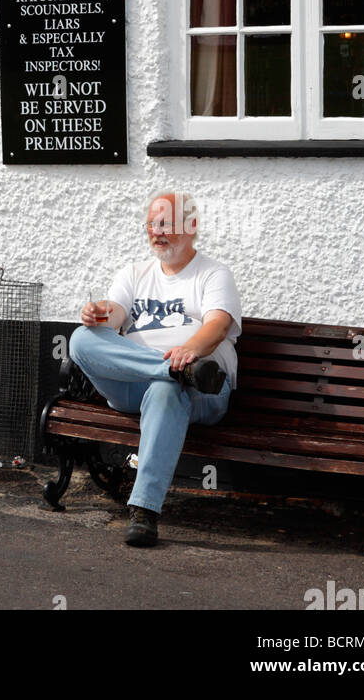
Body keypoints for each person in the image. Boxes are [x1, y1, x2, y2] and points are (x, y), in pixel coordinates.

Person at [67, 190, 242, 548]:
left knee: (166, 390)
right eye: (151, 224)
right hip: (135, 382)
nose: (156, 231)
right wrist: (100, 314)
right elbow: (115, 313)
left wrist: (189, 351)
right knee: (81, 339)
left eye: (166, 224)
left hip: (203, 388)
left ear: (191, 227)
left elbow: (217, 327)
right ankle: (173, 371)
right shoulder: (134, 273)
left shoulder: (213, 275)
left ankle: (144, 510)